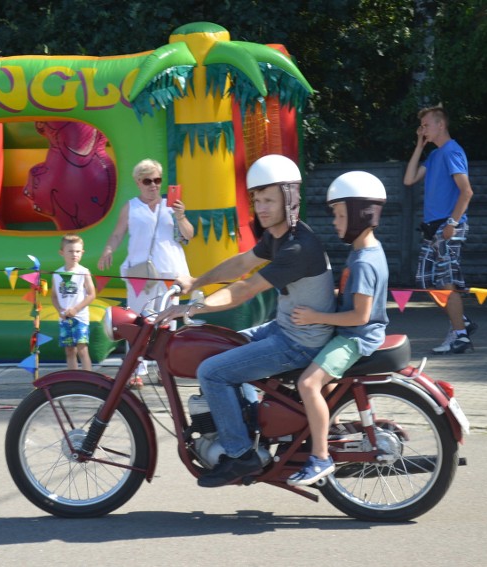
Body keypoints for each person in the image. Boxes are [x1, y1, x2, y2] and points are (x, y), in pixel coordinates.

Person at [158, 154, 336, 488]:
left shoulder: (298, 246)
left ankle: (241, 455)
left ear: (289, 198)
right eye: (257, 199)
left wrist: (191, 309)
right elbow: (242, 264)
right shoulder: (280, 236)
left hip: (300, 342)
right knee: (226, 345)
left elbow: (245, 289)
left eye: (269, 199)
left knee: (212, 371)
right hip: (287, 329)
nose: (262, 207)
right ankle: (251, 429)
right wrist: (195, 281)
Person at [286, 171, 389, 486]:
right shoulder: (366, 251)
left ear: (360, 215)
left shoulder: (363, 263)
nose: (335, 221)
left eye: (340, 214)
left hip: (356, 338)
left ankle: (319, 457)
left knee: (308, 384)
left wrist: (316, 316)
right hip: (353, 332)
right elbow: (351, 299)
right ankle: (332, 427)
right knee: (318, 380)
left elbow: (359, 316)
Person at [98, 158, 194, 388]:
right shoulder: (130, 207)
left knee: (168, 323)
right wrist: (108, 249)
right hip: (140, 272)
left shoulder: (171, 206)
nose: (153, 185)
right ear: (138, 182)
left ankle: (165, 368)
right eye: (147, 181)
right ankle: (136, 369)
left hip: (170, 271)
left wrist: (181, 216)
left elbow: (189, 235)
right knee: (137, 321)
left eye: (157, 180)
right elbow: (118, 233)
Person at [403, 105, 477, 354]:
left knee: (445, 282)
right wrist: (419, 146)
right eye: (421, 126)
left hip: (448, 226)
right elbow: (409, 179)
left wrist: (452, 224)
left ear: (440, 125)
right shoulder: (435, 156)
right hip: (433, 228)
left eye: (426, 125)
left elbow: (466, 192)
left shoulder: (452, 152)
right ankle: (461, 322)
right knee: (427, 280)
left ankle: (460, 336)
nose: (422, 129)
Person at [52, 234, 97, 371]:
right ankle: (74, 377)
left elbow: (91, 294)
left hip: (80, 318)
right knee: (69, 351)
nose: (74, 254)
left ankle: (88, 377)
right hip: (65, 318)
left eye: (77, 251)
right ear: (62, 253)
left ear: (82, 252)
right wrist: (60, 310)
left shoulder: (83, 272)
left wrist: (76, 309)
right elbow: (54, 295)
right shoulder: (57, 273)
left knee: (82, 349)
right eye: (70, 251)